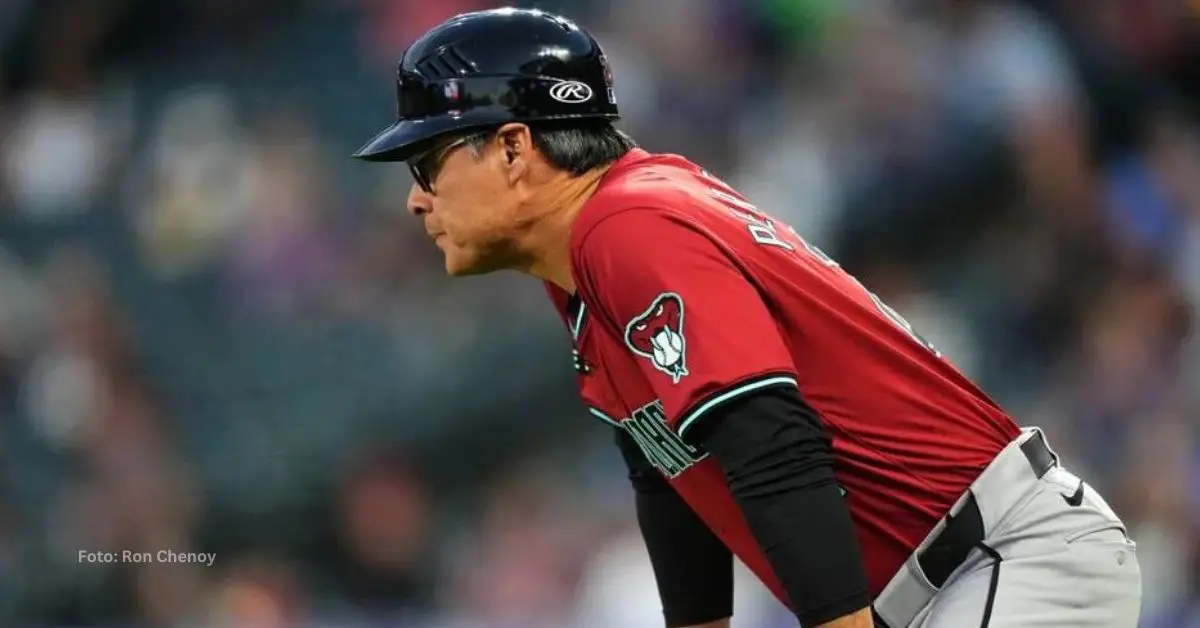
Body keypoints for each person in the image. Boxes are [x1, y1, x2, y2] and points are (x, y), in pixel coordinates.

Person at [353, 8, 1142, 628]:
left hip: (999, 559)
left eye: (430, 161)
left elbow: (770, 440)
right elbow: (675, 482)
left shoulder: (629, 226)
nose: (416, 196)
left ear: (517, 148)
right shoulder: (594, 257)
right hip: (953, 579)